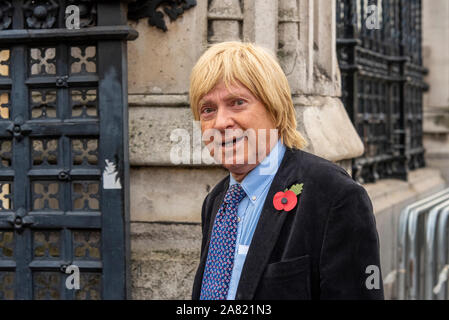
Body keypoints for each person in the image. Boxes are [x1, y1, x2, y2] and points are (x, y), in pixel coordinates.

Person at [189, 41, 384, 300]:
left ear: (275, 109)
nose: (221, 122)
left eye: (237, 102)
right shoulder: (216, 201)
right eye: (208, 110)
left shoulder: (335, 195)